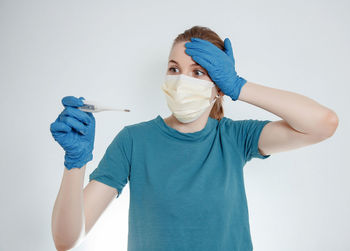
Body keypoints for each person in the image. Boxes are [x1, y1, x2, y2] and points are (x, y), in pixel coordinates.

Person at [50, 25, 339, 251]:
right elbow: (67, 240)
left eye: (198, 72)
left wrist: (239, 86)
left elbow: (323, 125)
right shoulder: (133, 141)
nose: (182, 80)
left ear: (218, 85)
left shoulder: (235, 137)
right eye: (174, 69)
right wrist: (75, 164)